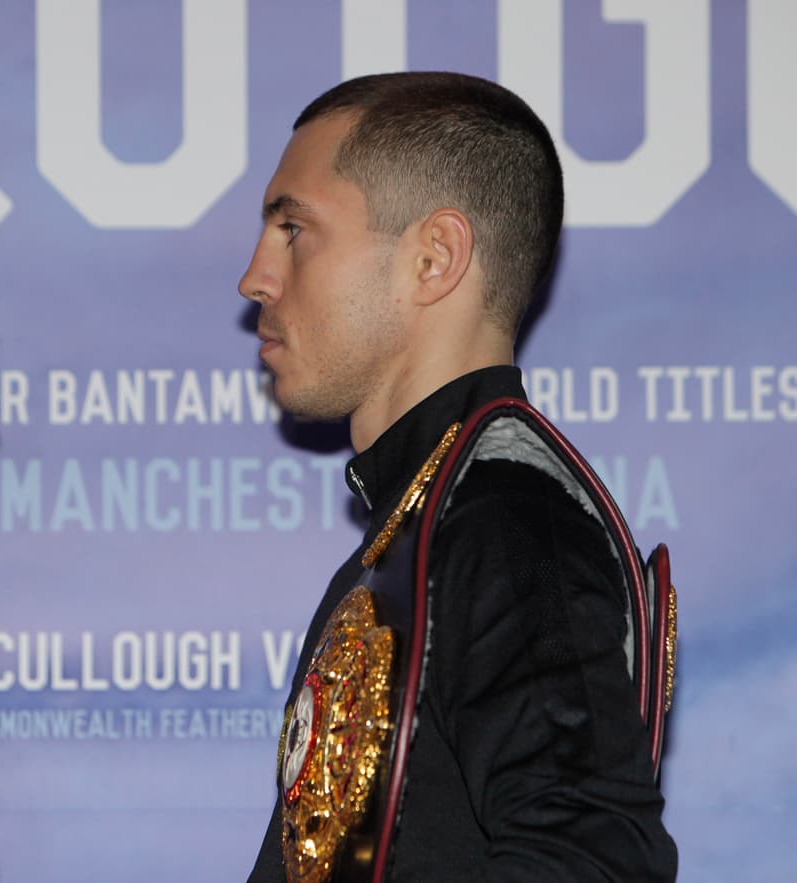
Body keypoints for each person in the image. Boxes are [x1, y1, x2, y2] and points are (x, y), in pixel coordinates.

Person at [239, 73, 677, 881]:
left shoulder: (510, 516)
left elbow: (592, 857)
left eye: (293, 228)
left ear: (435, 258)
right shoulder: (435, 513)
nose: (256, 277)